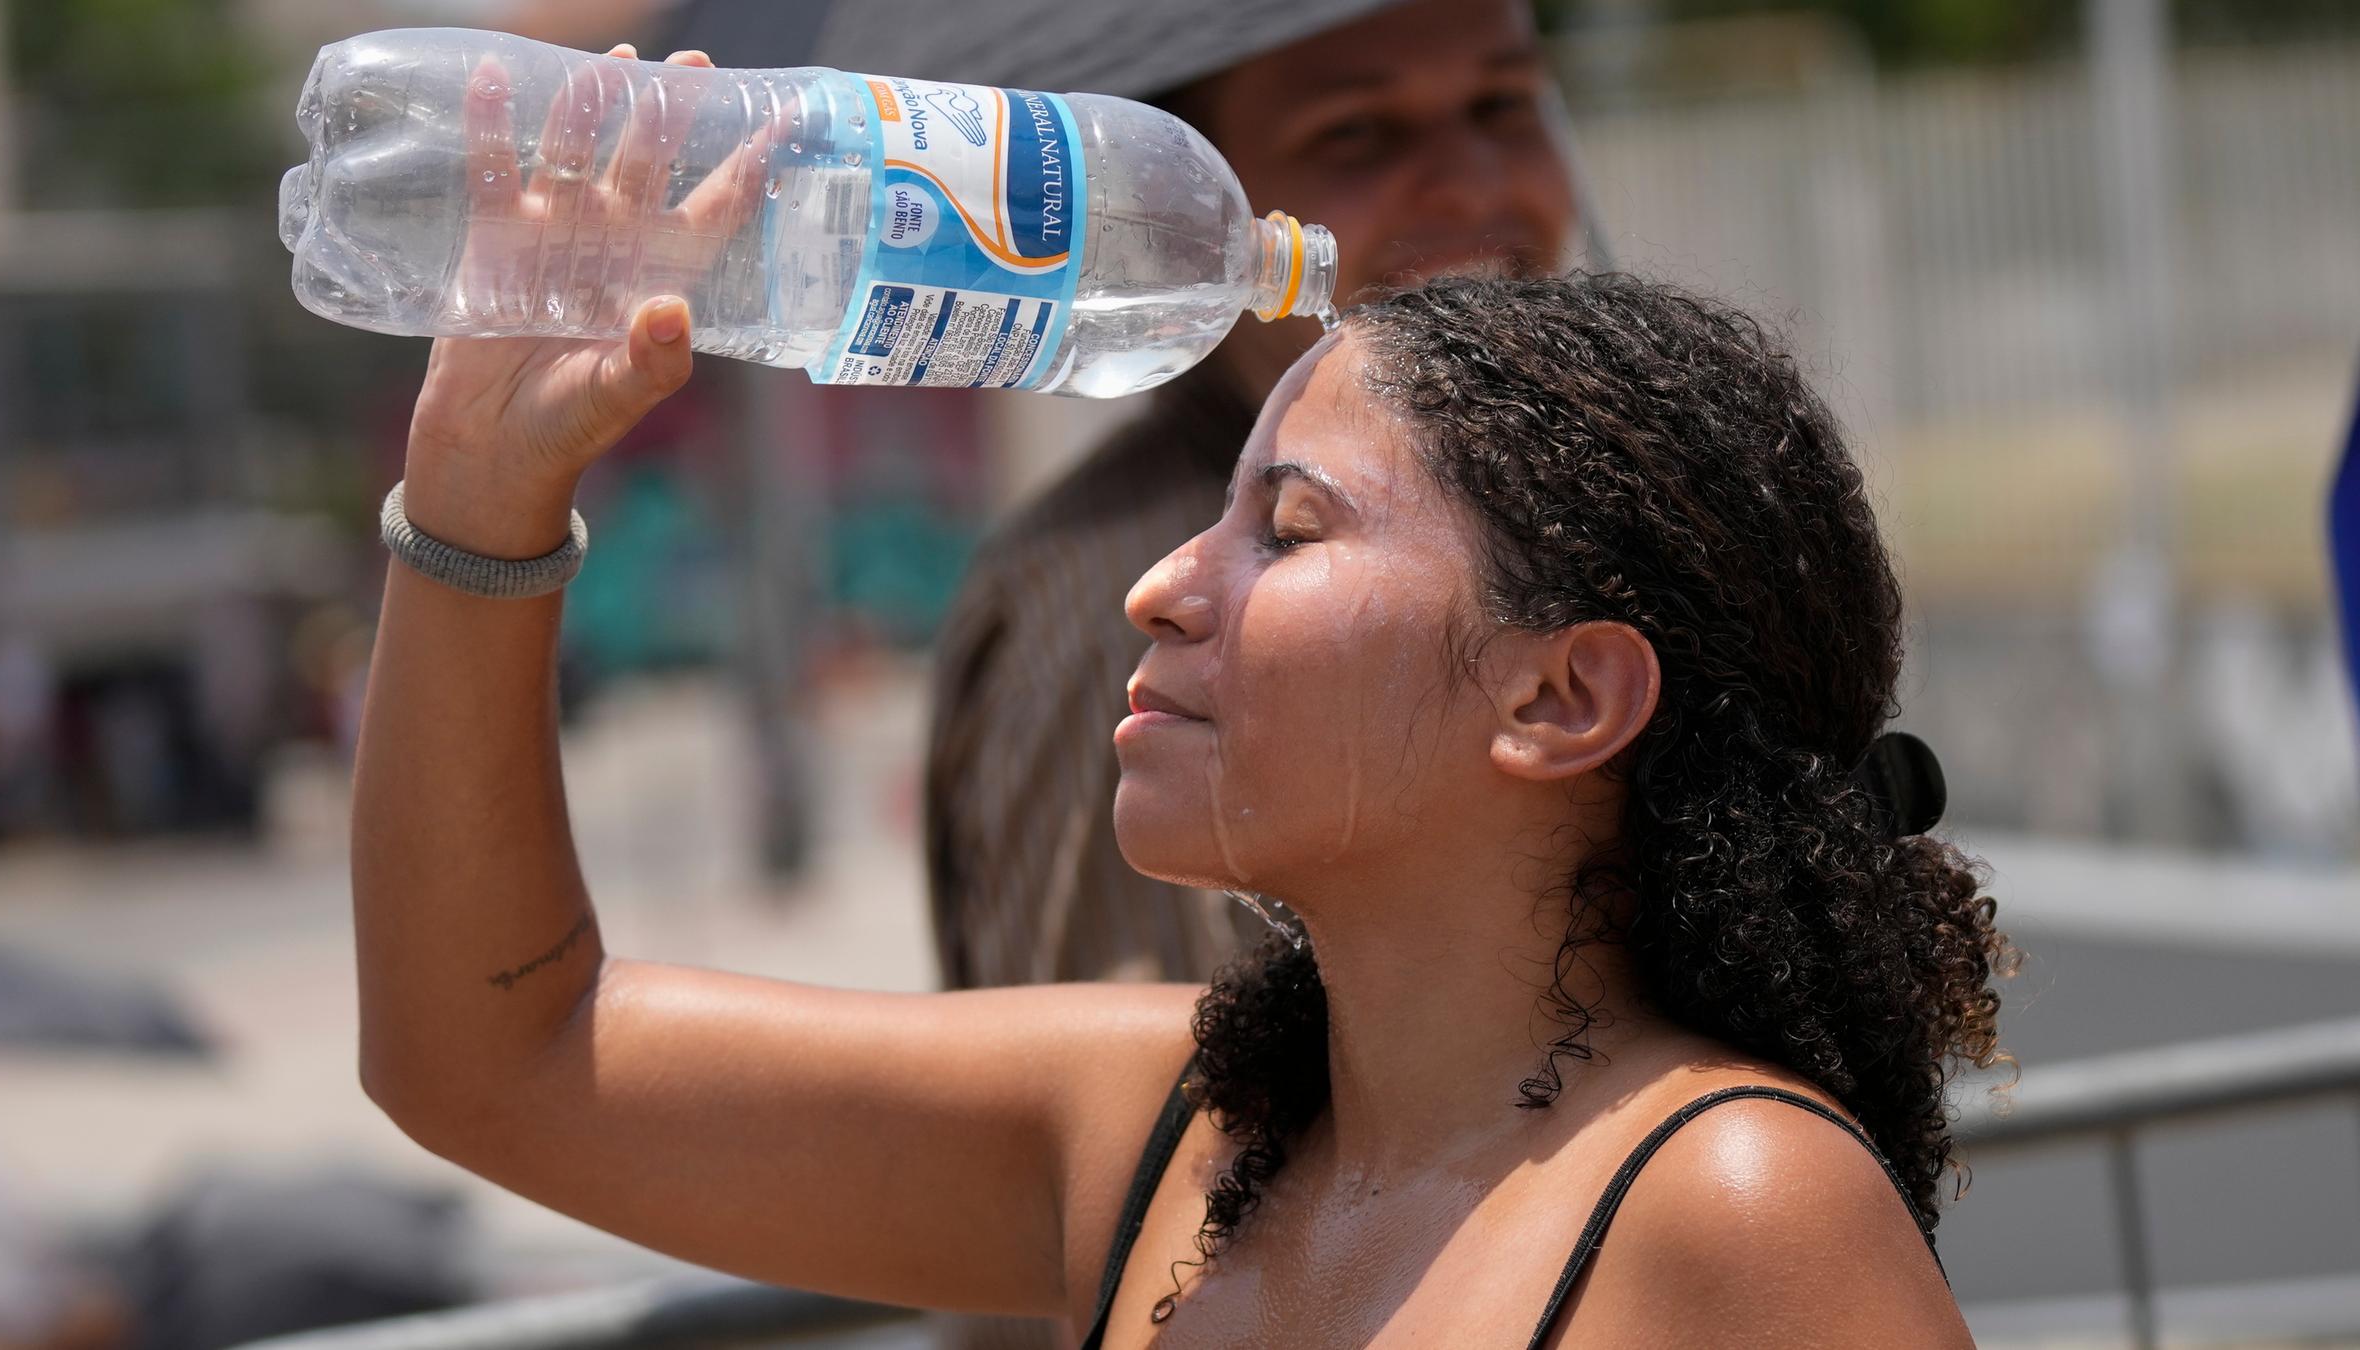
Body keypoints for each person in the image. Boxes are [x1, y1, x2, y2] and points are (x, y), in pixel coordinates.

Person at [349, 48, 2006, 1340]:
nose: (1160, 586)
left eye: (1287, 529)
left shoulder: (1735, 1206)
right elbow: (497, 1054)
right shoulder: (1158, 1131)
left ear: (1564, 694)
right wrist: (478, 506)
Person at [921, 0, 1590, 989]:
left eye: (1501, 103)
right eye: (1356, 132)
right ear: (1174, 203)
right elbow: (1156, 1121)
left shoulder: (1546, 512)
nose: (1474, 183)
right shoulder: (1133, 615)